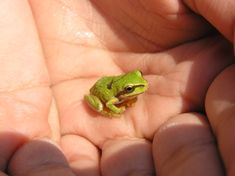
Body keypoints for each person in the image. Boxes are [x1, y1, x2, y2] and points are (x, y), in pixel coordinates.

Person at [0, 0, 234, 175]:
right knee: (105, 103)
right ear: (126, 90)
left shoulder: (131, 83)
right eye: (134, 88)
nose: (140, 87)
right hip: (100, 94)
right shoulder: (116, 96)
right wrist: (113, 110)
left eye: (138, 82)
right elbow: (111, 101)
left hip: (110, 83)